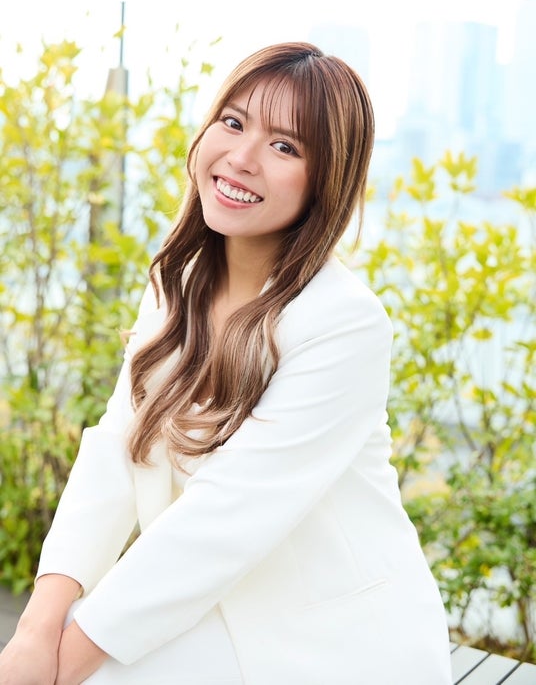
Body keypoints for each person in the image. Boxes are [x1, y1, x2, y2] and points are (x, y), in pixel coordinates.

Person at [0, 42, 452, 684]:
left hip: (337, 643)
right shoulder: (178, 281)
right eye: (234, 122)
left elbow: (225, 519)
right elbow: (117, 450)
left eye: (285, 146)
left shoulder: (343, 323)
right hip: (213, 611)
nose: (242, 157)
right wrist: (36, 630)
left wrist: (56, 670)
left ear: (327, 180)